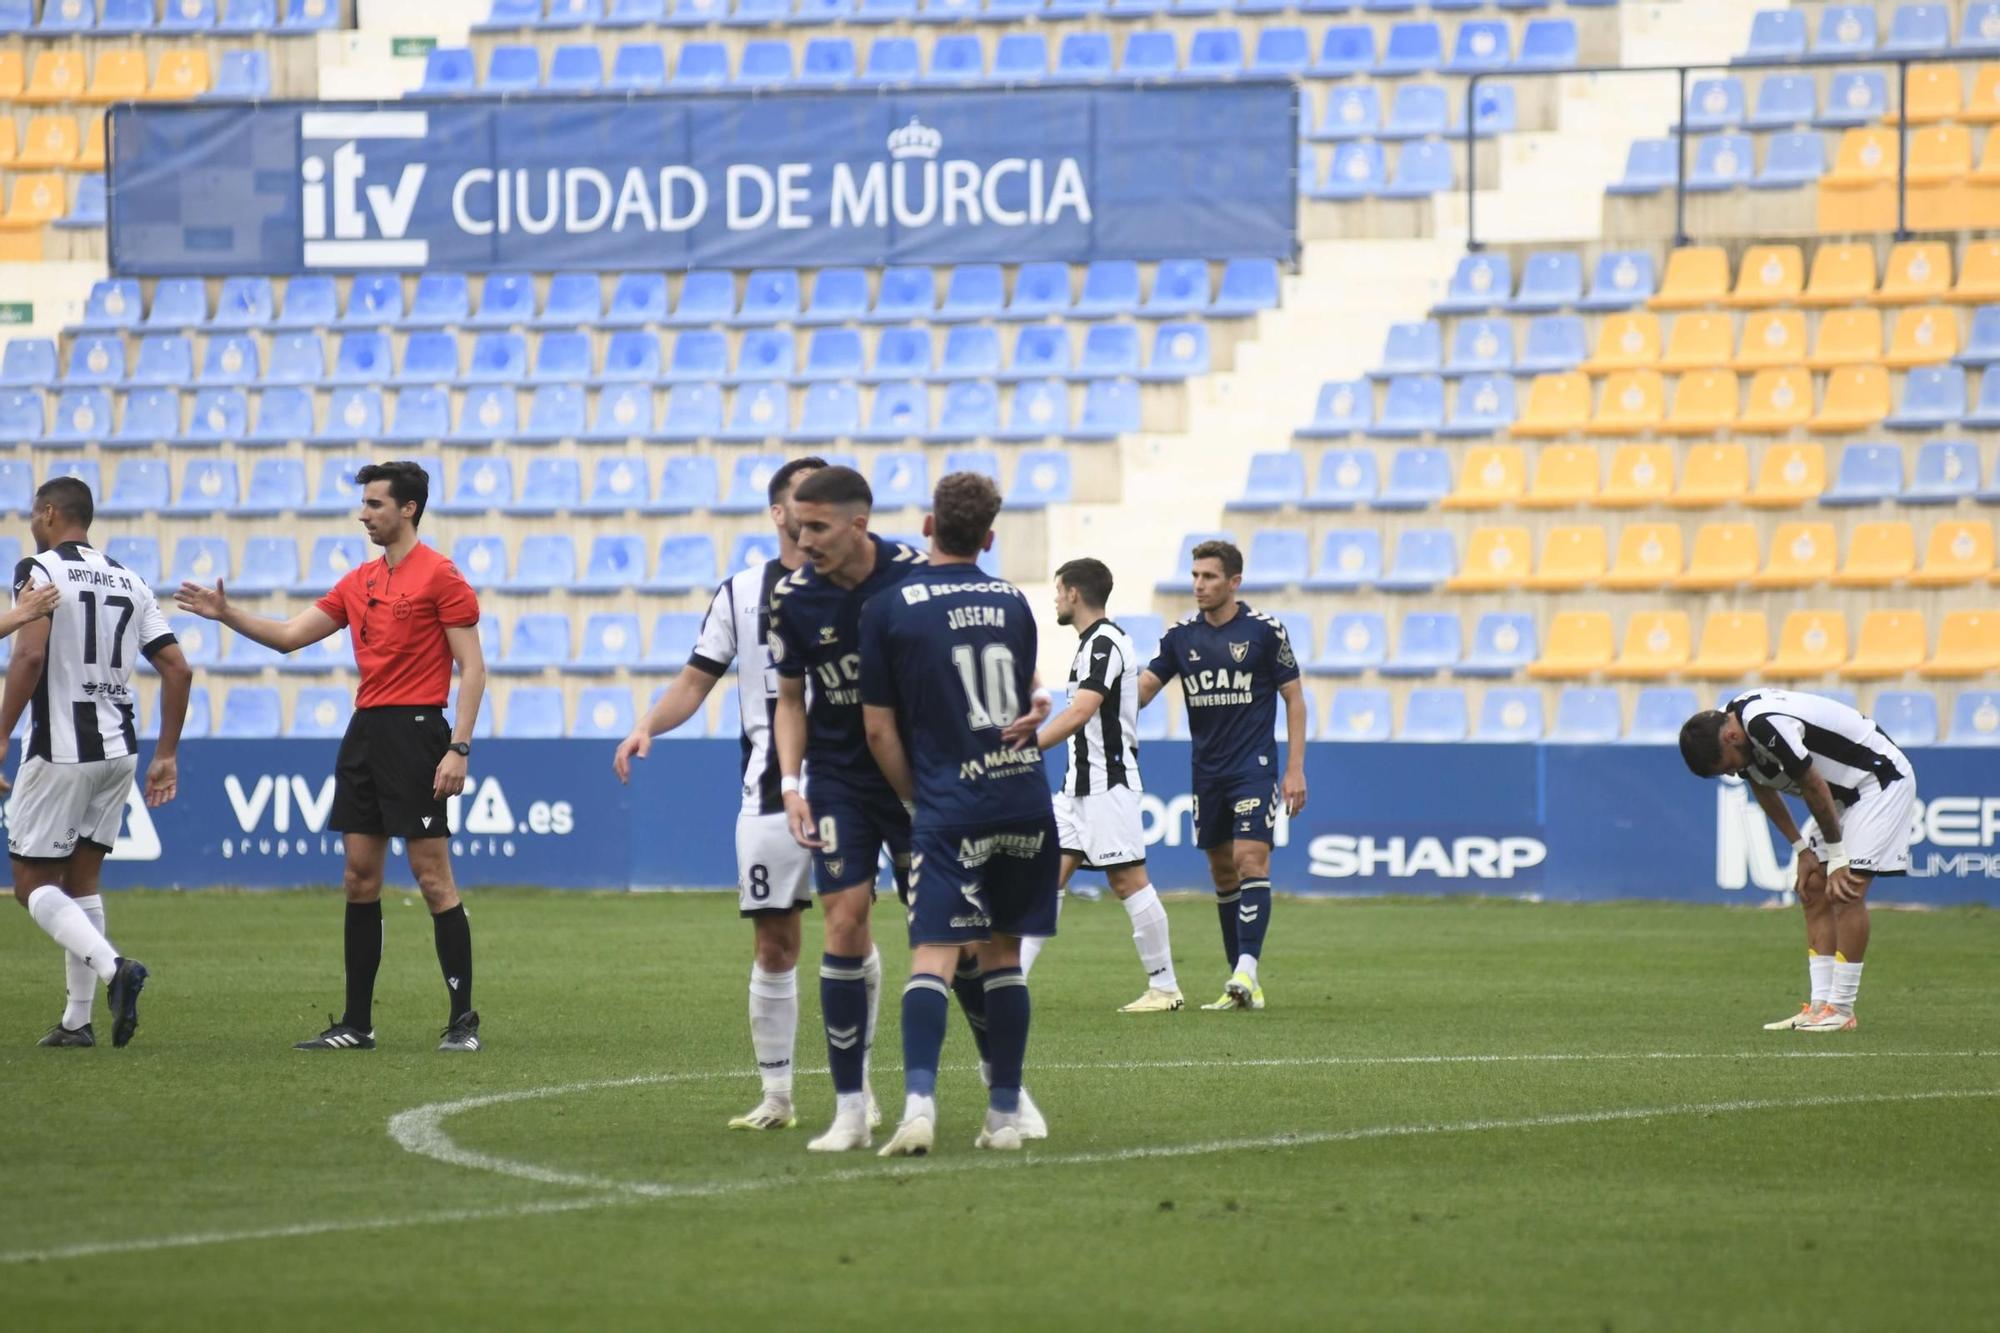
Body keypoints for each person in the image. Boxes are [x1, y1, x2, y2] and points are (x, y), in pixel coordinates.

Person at [768, 465, 1046, 1152]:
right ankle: (851, 1107)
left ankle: (1000, 1082)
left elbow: (984, 648)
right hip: (843, 779)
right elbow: (791, 699)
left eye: (816, 527)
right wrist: (790, 783)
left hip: (920, 771)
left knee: (967, 941)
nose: (801, 541)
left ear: (858, 524)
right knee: (844, 918)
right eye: (796, 525)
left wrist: (1036, 688)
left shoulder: (908, 579)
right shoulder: (793, 599)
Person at [176, 461, 487, 1053]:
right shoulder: (358, 581)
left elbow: (472, 668)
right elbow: (293, 636)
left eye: (375, 504)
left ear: (408, 509)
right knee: (359, 877)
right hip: (365, 731)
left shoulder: (441, 577)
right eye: (364, 504)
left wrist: (458, 748)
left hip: (419, 732)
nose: (364, 514)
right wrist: (227, 614)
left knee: (432, 879)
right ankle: (356, 1024)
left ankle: (462, 1022)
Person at [614, 455, 825, 1131]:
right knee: (774, 943)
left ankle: (855, 1096)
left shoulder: (862, 584)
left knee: (851, 931)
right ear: (778, 512)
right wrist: (647, 723)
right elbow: (697, 679)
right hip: (767, 787)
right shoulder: (740, 592)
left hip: (851, 783)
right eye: (803, 496)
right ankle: (778, 1097)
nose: (815, 507)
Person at [862, 472, 1060, 1156]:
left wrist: (918, 798)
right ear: (991, 536)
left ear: (926, 525)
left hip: (951, 800)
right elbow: (1030, 698)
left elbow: (880, 732)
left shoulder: (891, 606)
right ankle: (1004, 1115)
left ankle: (918, 1107)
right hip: (1024, 796)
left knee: (934, 954)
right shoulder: (1013, 601)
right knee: (1003, 956)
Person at [3, 477, 187, 1049]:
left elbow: (30, 653)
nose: (31, 519)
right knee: (83, 879)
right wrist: (168, 754)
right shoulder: (131, 580)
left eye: (34, 510)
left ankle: (114, 970)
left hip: (60, 748)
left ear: (50, 512)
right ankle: (77, 1021)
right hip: (119, 750)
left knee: (31, 883)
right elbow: (178, 669)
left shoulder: (38, 569)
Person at [1679, 689, 1916, 1034]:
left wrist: (1836, 857)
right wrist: (1801, 850)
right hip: (1840, 797)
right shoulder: (1733, 735)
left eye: (1728, 766)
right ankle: (1820, 1005)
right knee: (1813, 889)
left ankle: (1842, 1009)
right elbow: (1762, 787)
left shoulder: (1764, 725)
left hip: (1877, 782)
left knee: (1846, 890)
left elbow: (1811, 783)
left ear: (1731, 736)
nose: (1733, 774)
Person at [1138, 540, 1306, 1012]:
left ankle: (1246, 970)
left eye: (1209, 577)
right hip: (1206, 771)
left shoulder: (1264, 632)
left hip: (1253, 766)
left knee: (1251, 857)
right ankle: (1242, 984)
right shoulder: (1180, 636)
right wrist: (1095, 698)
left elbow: (1294, 698)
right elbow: (1145, 690)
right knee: (1221, 868)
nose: (1198, 585)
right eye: (1195, 576)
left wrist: (1294, 768)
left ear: (1234, 582)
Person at [1023, 557, 1181, 1012]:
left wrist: (1027, 747)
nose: (1055, 598)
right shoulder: (1092, 643)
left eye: (1058, 590)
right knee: (1043, 878)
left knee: (1128, 880)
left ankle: (1165, 987)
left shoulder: (1105, 642)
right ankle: (1009, 983)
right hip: (1078, 788)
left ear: (1074, 593)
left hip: (1108, 784)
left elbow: (1080, 712)